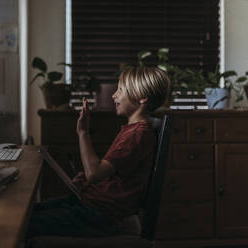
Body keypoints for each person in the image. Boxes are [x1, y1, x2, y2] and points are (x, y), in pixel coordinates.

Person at [27, 67, 171, 239]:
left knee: (25, 223)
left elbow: (95, 173)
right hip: (92, 204)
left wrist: (83, 133)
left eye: (120, 90)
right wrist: (89, 183)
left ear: (142, 98)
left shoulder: (136, 135)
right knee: (26, 213)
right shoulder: (133, 131)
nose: (114, 95)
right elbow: (109, 175)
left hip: (100, 215)